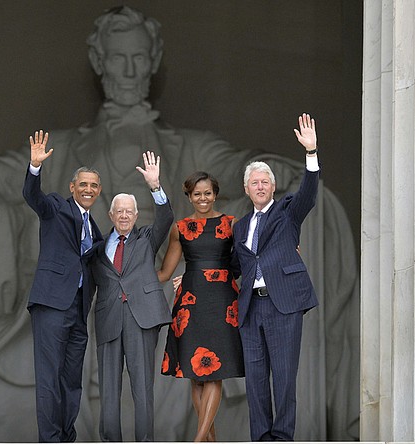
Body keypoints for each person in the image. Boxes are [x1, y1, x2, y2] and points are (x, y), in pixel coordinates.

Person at [0, 5, 359, 441]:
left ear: (154, 61)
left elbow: (247, 164)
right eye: (119, 59)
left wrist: (290, 165)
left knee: (166, 325)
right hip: (96, 280)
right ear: (99, 61)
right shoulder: (67, 148)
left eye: (139, 57)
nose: (130, 70)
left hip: (164, 278)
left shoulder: (190, 147)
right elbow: (7, 170)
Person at [232, 113, 320, 441]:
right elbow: (233, 266)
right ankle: (261, 438)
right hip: (251, 309)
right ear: (246, 188)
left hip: (282, 305)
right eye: (254, 182)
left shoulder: (287, 213)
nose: (260, 186)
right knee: (255, 381)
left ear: (273, 187)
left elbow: (309, 195)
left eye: (265, 181)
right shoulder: (239, 227)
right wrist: (195, 277)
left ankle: (282, 438)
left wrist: (310, 153)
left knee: (283, 379)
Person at [22, 129, 103, 442]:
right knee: (49, 378)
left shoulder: (95, 230)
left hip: (79, 310)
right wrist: (35, 168)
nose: (88, 189)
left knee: (72, 380)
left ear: (98, 191)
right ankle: (51, 439)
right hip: (52, 304)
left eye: (93, 185)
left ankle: (66, 436)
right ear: (73, 187)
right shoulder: (56, 207)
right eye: (83, 184)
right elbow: (34, 197)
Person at [88, 151, 173, 441]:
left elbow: (166, 217)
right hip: (109, 318)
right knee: (108, 389)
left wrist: (155, 186)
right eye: (119, 211)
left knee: (143, 387)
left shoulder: (147, 239)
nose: (124, 215)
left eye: (129, 211)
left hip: (142, 318)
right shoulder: (97, 249)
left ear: (136, 216)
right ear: (111, 215)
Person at [157, 171, 244, 442]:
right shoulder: (180, 228)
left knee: (214, 371)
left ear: (215, 194)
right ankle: (209, 440)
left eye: (207, 193)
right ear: (189, 196)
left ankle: (197, 440)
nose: (203, 198)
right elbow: (164, 273)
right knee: (196, 373)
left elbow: (244, 262)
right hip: (190, 301)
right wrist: (126, 272)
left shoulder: (232, 223)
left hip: (222, 301)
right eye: (197, 194)